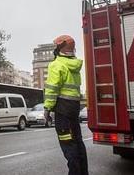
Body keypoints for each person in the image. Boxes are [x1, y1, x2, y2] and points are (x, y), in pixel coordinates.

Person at [44, 35, 88, 175]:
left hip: (62, 111)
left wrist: (47, 108)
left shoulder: (56, 65)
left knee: (68, 145)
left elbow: (52, 89)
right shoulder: (74, 66)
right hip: (74, 109)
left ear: (59, 48)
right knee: (78, 143)